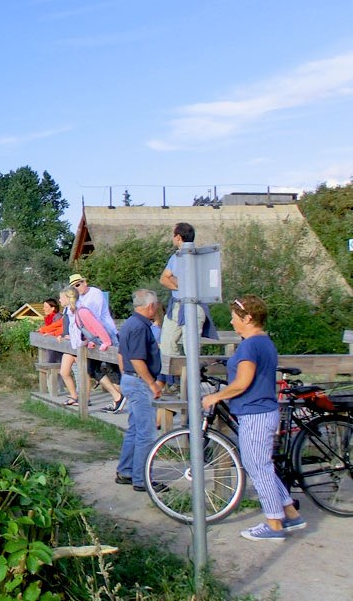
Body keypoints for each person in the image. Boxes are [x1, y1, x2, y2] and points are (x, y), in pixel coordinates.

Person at [202, 295, 306, 541]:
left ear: (247, 318)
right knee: (262, 467)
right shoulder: (263, 341)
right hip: (263, 411)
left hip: (255, 413)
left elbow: (243, 382)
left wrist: (217, 396)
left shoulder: (249, 345)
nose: (231, 321)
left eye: (235, 317)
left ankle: (274, 524)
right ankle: (290, 514)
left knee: (258, 468)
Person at [115, 289, 164, 492]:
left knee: (135, 429)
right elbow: (137, 359)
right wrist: (152, 383)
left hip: (129, 378)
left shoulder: (128, 323)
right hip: (138, 381)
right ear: (151, 306)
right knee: (146, 432)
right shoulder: (140, 327)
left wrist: (125, 375)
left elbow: (121, 355)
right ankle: (141, 478)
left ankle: (126, 471)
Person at [158, 223, 215, 390]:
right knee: (167, 343)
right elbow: (164, 278)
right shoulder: (175, 257)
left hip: (195, 306)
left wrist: (182, 284)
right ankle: (176, 381)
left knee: (192, 347)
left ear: (178, 237)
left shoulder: (199, 256)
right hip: (176, 305)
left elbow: (199, 283)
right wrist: (183, 285)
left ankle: (192, 385)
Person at [56, 287, 123, 409]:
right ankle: (117, 396)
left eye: (61, 298)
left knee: (93, 370)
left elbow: (97, 327)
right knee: (92, 371)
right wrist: (88, 340)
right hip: (89, 345)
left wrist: (106, 342)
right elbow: (85, 330)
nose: (59, 300)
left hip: (100, 345)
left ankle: (117, 396)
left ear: (67, 298)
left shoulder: (82, 311)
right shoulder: (74, 311)